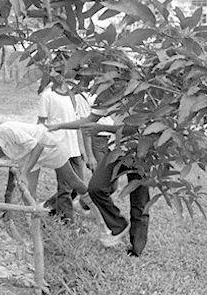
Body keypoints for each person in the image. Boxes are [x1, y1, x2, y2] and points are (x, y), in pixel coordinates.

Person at [47, 107, 149, 256]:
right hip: (117, 151)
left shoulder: (142, 95)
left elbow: (134, 129)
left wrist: (101, 128)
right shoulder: (109, 95)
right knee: (96, 188)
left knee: (140, 200)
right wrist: (59, 126)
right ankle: (118, 224)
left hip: (142, 152)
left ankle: (137, 248)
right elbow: (88, 121)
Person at [0, 121, 90, 204]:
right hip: (29, 154)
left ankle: (97, 205)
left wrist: (24, 173)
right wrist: (20, 171)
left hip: (47, 146)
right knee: (28, 191)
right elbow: (15, 159)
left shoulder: (6, 130)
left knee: (72, 180)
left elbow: (38, 146)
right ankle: (32, 221)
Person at [37, 83, 92, 222]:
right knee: (65, 187)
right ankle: (66, 220)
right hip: (59, 146)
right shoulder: (47, 95)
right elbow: (41, 122)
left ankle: (49, 207)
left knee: (78, 185)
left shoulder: (74, 95)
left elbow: (79, 123)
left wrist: (83, 149)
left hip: (74, 147)